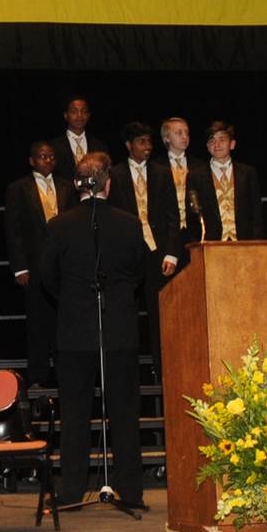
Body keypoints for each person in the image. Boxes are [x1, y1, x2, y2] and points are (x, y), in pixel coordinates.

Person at [37, 152, 150, 511]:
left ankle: (71, 490)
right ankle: (130, 491)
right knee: (125, 412)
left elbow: (46, 277)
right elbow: (138, 272)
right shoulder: (130, 224)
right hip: (118, 328)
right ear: (109, 184)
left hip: (73, 330)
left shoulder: (58, 225)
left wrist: (72, 299)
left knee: (74, 413)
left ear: (76, 185)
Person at [106, 121, 180, 374]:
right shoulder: (114, 174)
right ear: (129, 146)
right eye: (141, 142)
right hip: (127, 254)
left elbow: (173, 215)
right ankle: (126, 370)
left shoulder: (161, 172)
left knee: (159, 311)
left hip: (157, 252)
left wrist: (171, 251)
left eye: (149, 142)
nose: (147, 147)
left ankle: (162, 368)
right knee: (125, 313)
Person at [4, 139, 71, 388]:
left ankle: (65, 373)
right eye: (43, 157)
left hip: (64, 265)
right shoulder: (18, 188)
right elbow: (14, 230)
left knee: (64, 321)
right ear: (32, 161)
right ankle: (38, 376)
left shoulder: (66, 186)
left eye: (52, 156)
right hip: (33, 264)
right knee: (38, 322)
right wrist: (20, 267)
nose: (48, 160)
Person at [189, 121, 264, 241]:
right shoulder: (195, 176)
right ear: (208, 147)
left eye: (222, 140)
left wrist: (256, 241)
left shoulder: (247, 173)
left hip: (244, 241)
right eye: (212, 141)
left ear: (232, 144)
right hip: (211, 243)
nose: (217, 145)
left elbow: (256, 212)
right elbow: (193, 215)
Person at [159, 117, 202, 259]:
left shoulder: (199, 166)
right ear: (166, 138)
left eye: (187, 133)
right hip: (167, 232)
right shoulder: (156, 167)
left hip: (195, 231)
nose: (184, 137)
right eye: (179, 133)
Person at [46, 96, 107, 174]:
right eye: (74, 111)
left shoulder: (100, 146)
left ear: (88, 115)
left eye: (84, 111)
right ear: (65, 115)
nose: (79, 116)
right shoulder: (53, 146)